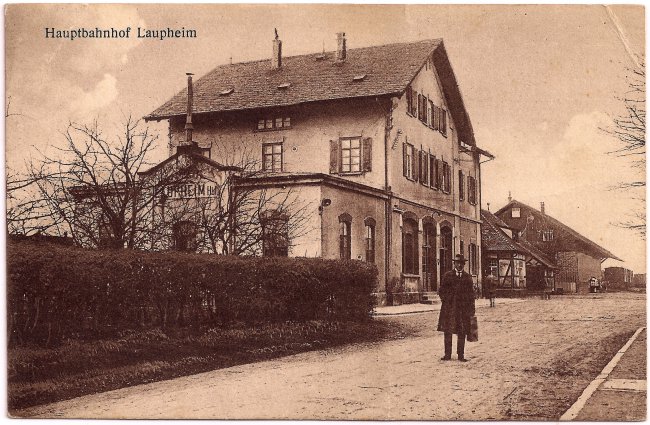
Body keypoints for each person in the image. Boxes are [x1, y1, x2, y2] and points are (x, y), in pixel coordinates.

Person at [437, 254, 476, 362]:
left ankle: (460, 355)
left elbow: (471, 294)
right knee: (447, 331)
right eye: (457, 263)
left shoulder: (467, 277)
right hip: (449, 309)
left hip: (463, 309)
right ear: (454, 263)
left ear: (464, 265)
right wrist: (446, 301)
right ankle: (447, 354)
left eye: (461, 263)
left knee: (462, 331)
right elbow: (441, 291)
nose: (459, 265)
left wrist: (471, 309)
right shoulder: (448, 276)